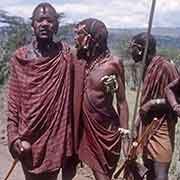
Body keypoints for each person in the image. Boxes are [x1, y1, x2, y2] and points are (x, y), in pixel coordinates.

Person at [7, 2, 80, 180]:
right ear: (33, 25)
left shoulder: (67, 56)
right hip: (28, 137)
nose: (45, 24)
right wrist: (13, 136)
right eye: (40, 20)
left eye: (50, 20)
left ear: (56, 25)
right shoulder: (21, 58)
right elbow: (14, 101)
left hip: (56, 135)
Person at [74, 18, 129, 180]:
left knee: (103, 176)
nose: (76, 37)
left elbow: (122, 101)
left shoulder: (113, 64)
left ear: (91, 38)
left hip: (105, 132)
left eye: (79, 34)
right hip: (83, 129)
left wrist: (125, 136)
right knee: (68, 168)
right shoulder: (79, 59)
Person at [129, 32, 179, 180]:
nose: (129, 51)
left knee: (160, 174)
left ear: (140, 49)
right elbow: (144, 103)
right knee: (149, 171)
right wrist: (136, 125)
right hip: (147, 127)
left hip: (162, 127)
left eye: (132, 47)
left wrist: (152, 104)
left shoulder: (165, 66)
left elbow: (177, 99)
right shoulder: (148, 67)